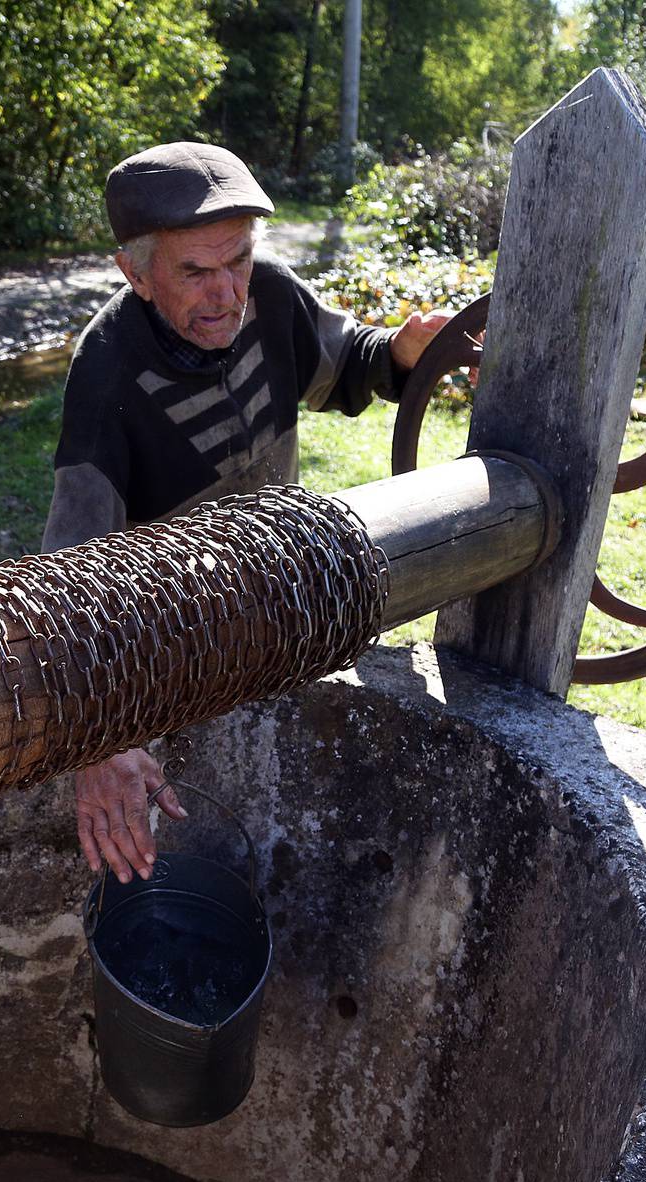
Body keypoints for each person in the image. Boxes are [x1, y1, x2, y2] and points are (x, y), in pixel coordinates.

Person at [43, 141, 457, 885]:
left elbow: (345, 360)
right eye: (195, 272)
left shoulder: (270, 293)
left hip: (282, 615)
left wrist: (401, 350)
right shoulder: (106, 370)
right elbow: (69, 574)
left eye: (236, 260)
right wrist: (95, 740)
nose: (228, 295)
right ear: (134, 272)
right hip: (171, 647)